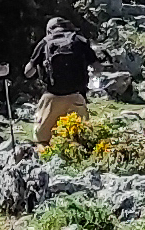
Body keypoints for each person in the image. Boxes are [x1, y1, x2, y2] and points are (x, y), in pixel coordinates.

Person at [31, 13, 98, 147]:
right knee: (80, 138)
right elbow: (97, 66)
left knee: (42, 139)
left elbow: (28, 72)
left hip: (51, 97)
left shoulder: (45, 42)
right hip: (76, 96)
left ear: (49, 30)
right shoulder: (78, 40)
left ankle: (45, 163)